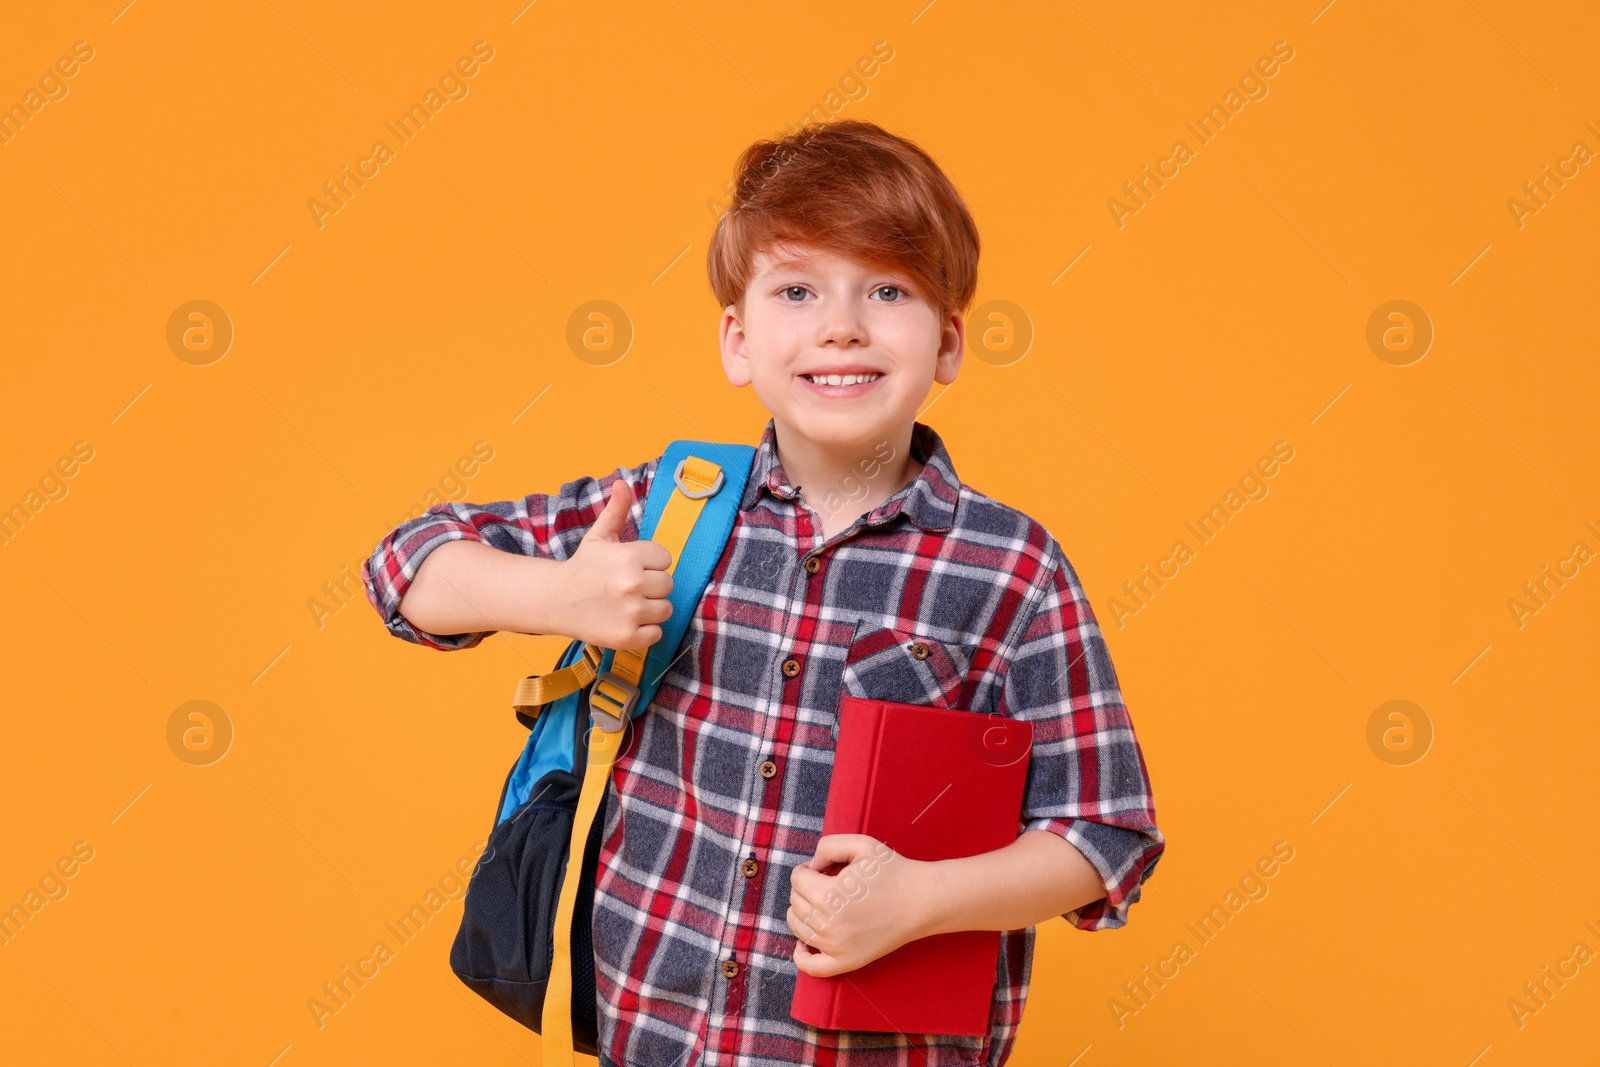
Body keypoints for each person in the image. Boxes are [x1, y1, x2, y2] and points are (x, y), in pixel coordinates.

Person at [362, 118, 1163, 1067]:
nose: (842, 325)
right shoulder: (672, 506)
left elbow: (1104, 833)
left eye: (889, 290)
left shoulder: (1010, 569)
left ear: (947, 344)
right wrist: (558, 596)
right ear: (737, 342)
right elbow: (405, 568)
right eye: (798, 289)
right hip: (649, 1036)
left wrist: (920, 901)